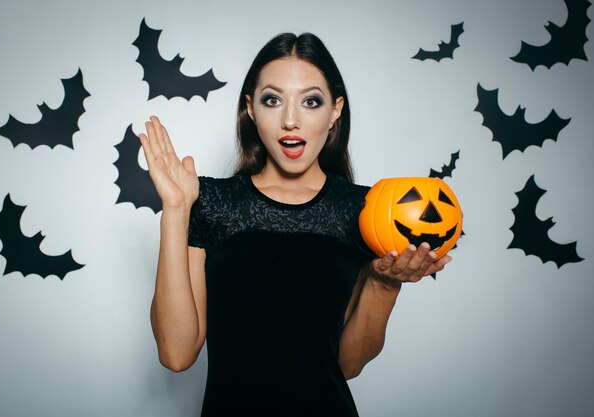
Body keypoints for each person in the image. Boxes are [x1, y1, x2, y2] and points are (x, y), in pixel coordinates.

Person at [139, 32, 451, 417]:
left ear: (335, 110)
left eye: (310, 101)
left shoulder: (367, 209)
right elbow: (176, 353)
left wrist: (385, 284)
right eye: (273, 100)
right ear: (251, 109)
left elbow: (348, 364)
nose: (290, 120)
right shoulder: (209, 203)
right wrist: (175, 209)